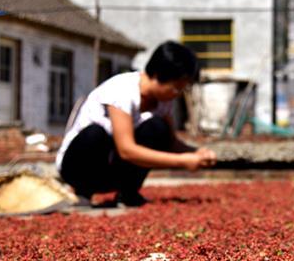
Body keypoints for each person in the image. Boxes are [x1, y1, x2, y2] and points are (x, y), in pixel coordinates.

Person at [56, 41, 217, 206]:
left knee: (157, 127)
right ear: (157, 75)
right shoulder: (122, 90)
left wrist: (197, 153)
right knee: (95, 134)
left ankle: (128, 192)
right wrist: (183, 162)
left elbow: (171, 142)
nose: (177, 94)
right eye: (175, 88)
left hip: (112, 172)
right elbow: (127, 151)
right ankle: (82, 192)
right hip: (78, 168)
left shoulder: (163, 101)